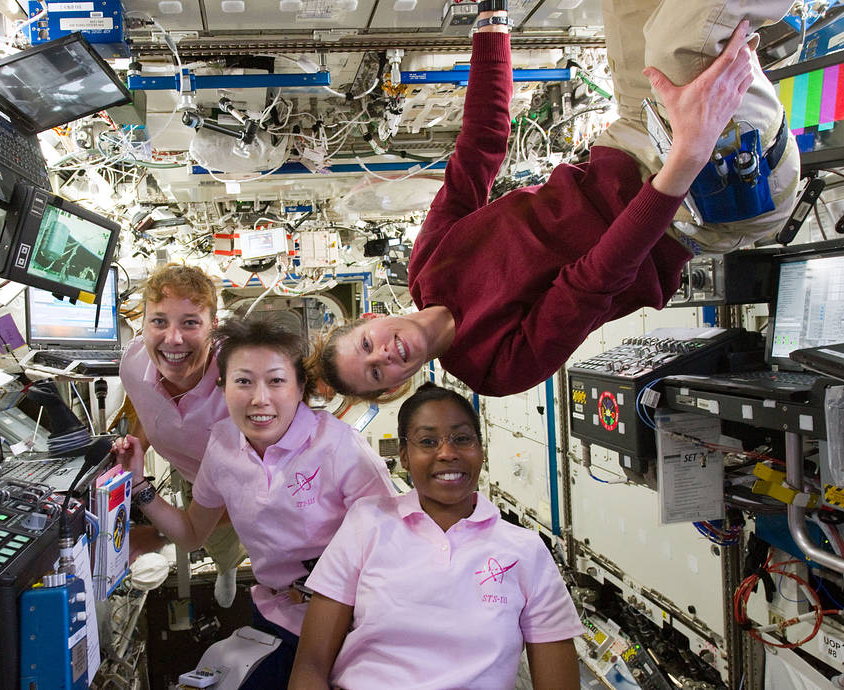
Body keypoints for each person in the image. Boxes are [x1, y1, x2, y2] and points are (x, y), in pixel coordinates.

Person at [315, 1, 800, 400]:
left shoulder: (429, 266)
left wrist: (491, 22)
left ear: (371, 320)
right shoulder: (492, 369)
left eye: (366, 346)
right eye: (377, 374)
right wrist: (688, 156)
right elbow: (595, 279)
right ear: (398, 385)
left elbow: (479, 149)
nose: (383, 356)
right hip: (696, 203)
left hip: (633, 139)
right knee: (686, 37)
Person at [113, 317, 395, 689]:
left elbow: (393, 551)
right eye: (243, 381)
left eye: (276, 381)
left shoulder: (340, 447)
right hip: (278, 614)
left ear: (300, 387)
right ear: (223, 388)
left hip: (350, 618)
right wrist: (138, 485)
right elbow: (193, 533)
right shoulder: (223, 445)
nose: (260, 399)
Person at [288, 383, 583, 689]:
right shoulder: (367, 524)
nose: (447, 453)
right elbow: (310, 666)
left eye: (462, 439)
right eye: (428, 441)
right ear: (404, 456)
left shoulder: (526, 551)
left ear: (481, 449)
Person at [118, 263, 245, 607]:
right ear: (143, 325)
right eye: (159, 321)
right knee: (210, 538)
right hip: (188, 464)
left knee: (232, 536)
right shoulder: (132, 362)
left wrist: (162, 534)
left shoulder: (242, 385)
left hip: (243, 482)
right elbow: (146, 406)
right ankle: (224, 564)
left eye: (190, 323)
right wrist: (134, 450)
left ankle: (228, 568)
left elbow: (256, 492)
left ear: (214, 329)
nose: (172, 339)